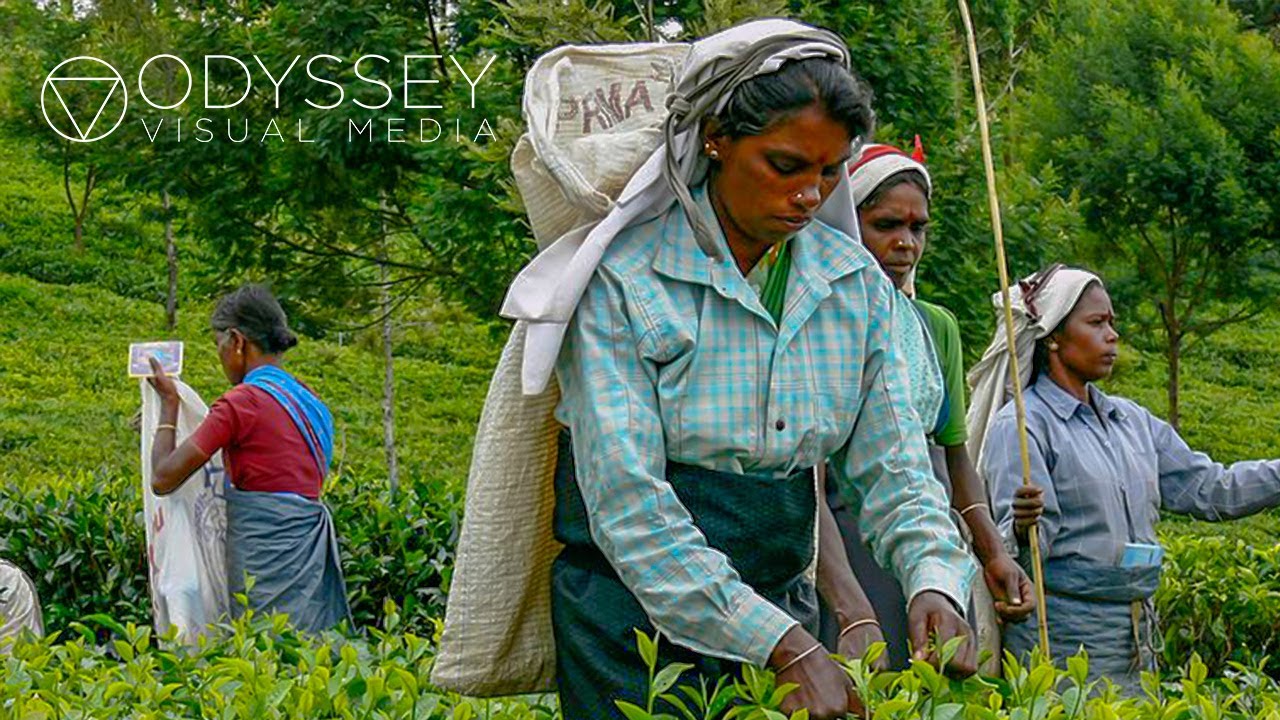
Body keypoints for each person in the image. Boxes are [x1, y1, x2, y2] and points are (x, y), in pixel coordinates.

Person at [526, 21, 978, 720]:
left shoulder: (851, 286)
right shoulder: (629, 280)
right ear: (716, 138)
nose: (809, 194)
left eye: (828, 173)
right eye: (786, 165)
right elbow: (628, 503)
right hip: (628, 624)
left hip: (780, 604)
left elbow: (895, 462)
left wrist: (934, 580)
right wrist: (787, 648)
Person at [971, 265, 1280, 694]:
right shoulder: (1023, 427)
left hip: (1135, 633)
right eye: (1097, 323)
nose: (1112, 335)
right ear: (1055, 337)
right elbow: (1018, 559)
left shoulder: (1131, 422)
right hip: (1064, 636)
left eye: (1112, 322)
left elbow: (1212, 488)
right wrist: (1025, 528)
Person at [821, 142, 1038, 670]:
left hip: (921, 527)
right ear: (849, 224)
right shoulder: (822, 317)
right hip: (839, 531)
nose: (905, 243)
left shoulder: (933, 327)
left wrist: (992, 552)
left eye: (917, 229)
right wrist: (848, 605)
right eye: (887, 225)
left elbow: (952, 457)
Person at [146, 284, 351, 635]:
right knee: (310, 655)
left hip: (264, 558)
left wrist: (169, 406)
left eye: (219, 346)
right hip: (308, 555)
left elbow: (163, 478)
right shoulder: (308, 398)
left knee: (265, 650)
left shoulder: (240, 404)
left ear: (237, 341)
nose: (220, 356)